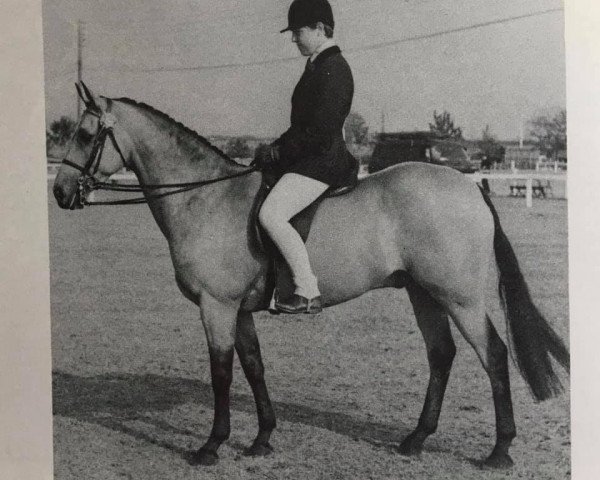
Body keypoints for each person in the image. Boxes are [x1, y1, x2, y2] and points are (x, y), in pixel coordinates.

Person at [255, 0, 359, 314]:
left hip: (323, 162)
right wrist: (272, 148)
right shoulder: (318, 64)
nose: (293, 39)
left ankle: (307, 289)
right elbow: (301, 126)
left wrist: (280, 152)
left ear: (317, 28)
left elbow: (321, 130)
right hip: (311, 158)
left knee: (271, 215)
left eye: (298, 31)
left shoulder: (335, 68)